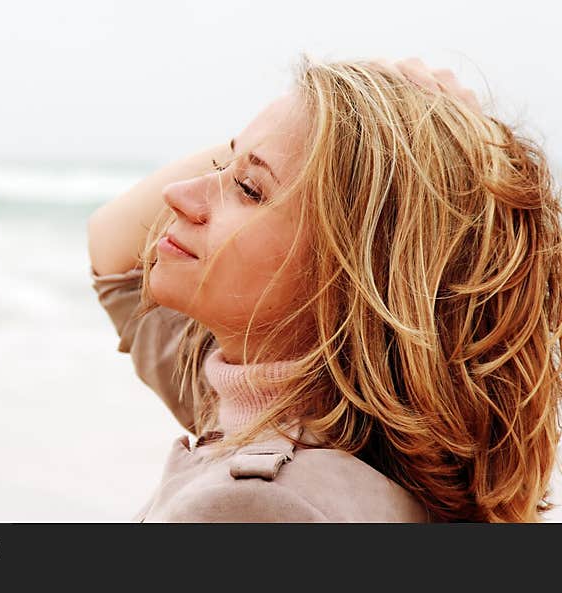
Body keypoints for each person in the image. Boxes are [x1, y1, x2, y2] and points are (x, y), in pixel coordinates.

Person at [87, 55, 562, 523]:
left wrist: (382, 127)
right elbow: (113, 246)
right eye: (221, 165)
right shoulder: (332, 435)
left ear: (356, 275)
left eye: (249, 189)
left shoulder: (258, 504)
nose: (178, 193)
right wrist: (337, 122)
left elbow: (113, 253)